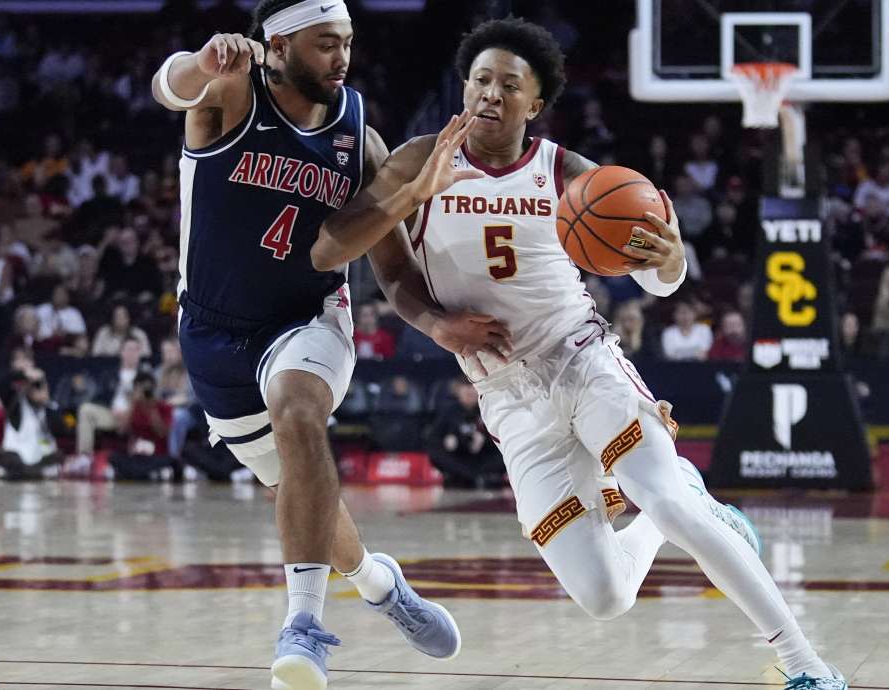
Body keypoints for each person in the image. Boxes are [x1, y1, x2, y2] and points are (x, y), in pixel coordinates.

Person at [313, 17, 846, 689]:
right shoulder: (418, 161)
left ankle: (806, 665)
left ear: (535, 103)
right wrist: (438, 326)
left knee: (668, 505)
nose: (490, 94)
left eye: (509, 85)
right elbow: (387, 270)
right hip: (506, 395)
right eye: (480, 80)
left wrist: (671, 261)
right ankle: (684, 489)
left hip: (581, 358)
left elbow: (658, 275)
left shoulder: (569, 174)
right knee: (604, 595)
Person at [150, 2, 489, 684]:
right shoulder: (230, 91)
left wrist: (436, 325)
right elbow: (169, 87)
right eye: (326, 44)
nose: (343, 58)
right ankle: (378, 584)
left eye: (348, 43)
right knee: (304, 496)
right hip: (213, 335)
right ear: (278, 45)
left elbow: (393, 268)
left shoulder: (360, 139)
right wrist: (201, 61)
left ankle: (302, 628)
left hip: (309, 316)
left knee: (300, 412)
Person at [426, 381, 504, 489]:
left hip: (483, 457)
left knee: (504, 451)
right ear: (458, 392)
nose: (469, 392)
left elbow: (500, 435)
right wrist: (448, 441)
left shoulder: (488, 409)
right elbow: (433, 439)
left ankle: (482, 476)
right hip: (458, 457)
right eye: (466, 391)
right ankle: (470, 476)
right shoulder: (449, 411)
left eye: (472, 390)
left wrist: (485, 440)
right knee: (435, 452)